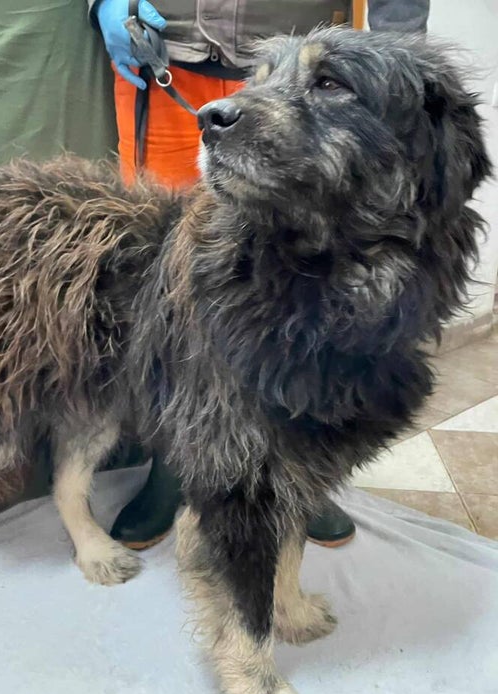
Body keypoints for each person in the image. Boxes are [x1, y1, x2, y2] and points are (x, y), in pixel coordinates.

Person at [88, 0, 430, 550]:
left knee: (321, 282)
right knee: (164, 283)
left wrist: (405, 57)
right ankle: (173, 466)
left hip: (299, 56)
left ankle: (304, 465)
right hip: (166, 56)